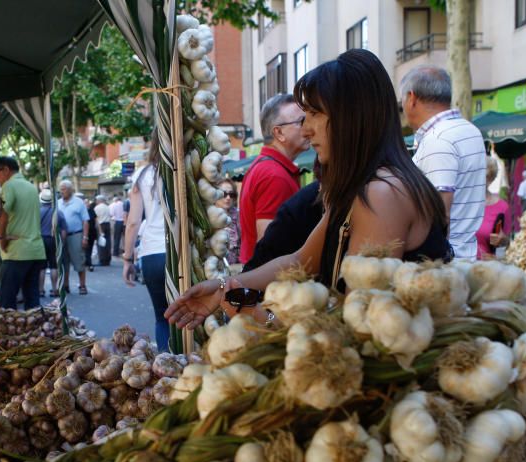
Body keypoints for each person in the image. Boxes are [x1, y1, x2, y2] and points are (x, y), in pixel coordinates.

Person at [166, 49, 449, 329]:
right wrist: (221, 287)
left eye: (314, 114)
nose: (307, 129)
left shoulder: (382, 194)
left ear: (351, 117)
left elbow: (358, 329)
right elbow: (301, 260)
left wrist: (260, 317)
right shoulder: (361, 190)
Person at [401, 66, 486, 260]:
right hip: (465, 257)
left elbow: (440, 214)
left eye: (402, 101)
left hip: (444, 267)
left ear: (412, 98)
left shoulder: (438, 139)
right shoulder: (469, 130)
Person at [237, 93, 309, 264]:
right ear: (279, 132)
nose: (308, 128)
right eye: (301, 122)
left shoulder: (266, 168)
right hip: (271, 285)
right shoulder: (274, 176)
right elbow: (270, 249)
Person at [124, 136, 169, 351]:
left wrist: (127, 259)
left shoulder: (143, 175)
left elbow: (133, 222)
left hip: (152, 253)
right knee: (190, 315)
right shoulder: (187, 170)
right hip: (182, 252)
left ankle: (167, 371)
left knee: (163, 317)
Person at [0, 156, 45, 310]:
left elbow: (2, 214)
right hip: (35, 251)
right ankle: (35, 332)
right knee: (32, 301)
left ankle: (6, 334)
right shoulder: (30, 187)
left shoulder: (9, 186)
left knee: (7, 302)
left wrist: (1, 238)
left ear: (6, 170)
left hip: (16, 252)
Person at [56, 180, 89, 295]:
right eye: (60, 189)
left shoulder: (79, 202)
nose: (61, 191)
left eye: (64, 189)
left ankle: (82, 285)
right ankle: (65, 285)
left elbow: (85, 221)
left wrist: (85, 237)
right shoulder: (58, 202)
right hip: (61, 236)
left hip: (75, 235)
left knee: (79, 261)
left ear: (70, 190)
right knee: (63, 262)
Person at [476, 156, 510, 259]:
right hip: (457, 266)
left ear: (491, 178)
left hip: (485, 269)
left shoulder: (502, 207)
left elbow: (506, 243)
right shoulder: (459, 202)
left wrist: (503, 240)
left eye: (484, 176)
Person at [38, 188, 59, 297]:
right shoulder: (56, 211)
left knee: (41, 267)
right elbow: (63, 228)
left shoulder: (37, 211)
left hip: (40, 239)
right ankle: (55, 289)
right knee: (53, 265)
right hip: (52, 239)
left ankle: (41, 290)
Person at [216, 179, 241, 265]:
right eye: (224, 194)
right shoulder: (207, 215)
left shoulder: (239, 215)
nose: (228, 197)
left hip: (236, 269)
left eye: (231, 194)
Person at [79, 192, 97, 271]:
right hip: (84, 232)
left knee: (88, 249)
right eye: (86, 203)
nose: (87, 204)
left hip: (91, 233)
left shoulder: (91, 211)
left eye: (87, 203)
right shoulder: (83, 211)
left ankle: (88, 263)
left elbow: (96, 222)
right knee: (86, 249)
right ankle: (88, 264)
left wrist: (100, 232)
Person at [93, 194, 112, 266]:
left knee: (101, 242)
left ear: (99, 200)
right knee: (108, 242)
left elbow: (96, 219)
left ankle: (102, 260)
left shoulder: (97, 208)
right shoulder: (107, 207)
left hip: (100, 225)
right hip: (107, 224)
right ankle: (108, 259)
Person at [110, 194, 125, 258]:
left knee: (117, 238)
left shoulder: (114, 205)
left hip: (117, 221)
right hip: (124, 222)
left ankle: (115, 252)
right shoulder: (124, 203)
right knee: (125, 237)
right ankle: (125, 251)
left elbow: (111, 214)